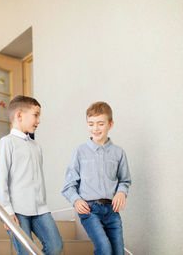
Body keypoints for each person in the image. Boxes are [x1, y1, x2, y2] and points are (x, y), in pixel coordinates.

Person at [0, 95, 63, 255]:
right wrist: (7, 210)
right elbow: (0, 181)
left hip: (40, 209)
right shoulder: (6, 143)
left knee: (56, 246)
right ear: (19, 115)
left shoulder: (36, 147)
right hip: (17, 210)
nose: (38, 121)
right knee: (26, 251)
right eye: (35, 115)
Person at [62, 101, 131, 255]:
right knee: (104, 249)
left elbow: (125, 180)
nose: (95, 128)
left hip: (112, 211)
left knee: (118, 252)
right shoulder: (80, 152)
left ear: (110, 124)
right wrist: (76, 200)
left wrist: (121, 192)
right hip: (90, 210)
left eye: (100, 124)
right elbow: (69, 184)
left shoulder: (118, 153)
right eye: (91, 124)